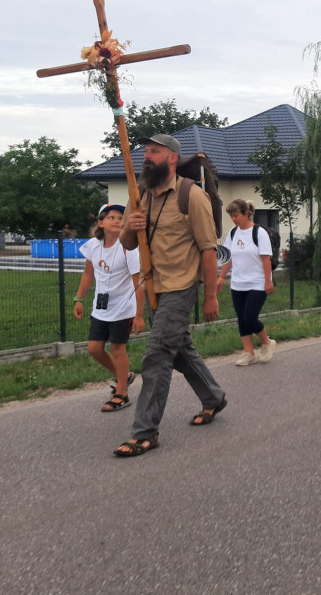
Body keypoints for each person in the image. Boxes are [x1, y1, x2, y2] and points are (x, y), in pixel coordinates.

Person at [113, 134, 226, 457]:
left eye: (154, 152)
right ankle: (214, 396)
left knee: (157, 354)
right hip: (154, 286)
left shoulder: (191, 196)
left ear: (172, 158)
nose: (146, 157)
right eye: (146, 151)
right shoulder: (143, 195)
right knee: (178, 351)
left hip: (182, 285)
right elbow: (129, 244)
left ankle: (144, 432)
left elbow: (208, 248)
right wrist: (129, 226)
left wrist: (210, 297)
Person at [74, 203, 145, 412]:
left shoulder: (129, 247)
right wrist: (78, 298)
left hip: (123, 307)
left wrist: (139, 314)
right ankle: (125, 376)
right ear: (100, 222)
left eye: (120, 218)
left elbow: (138, 282)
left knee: (117, 347)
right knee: (94, 348)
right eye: (111, 217)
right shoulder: (93, 246)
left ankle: (122, 393)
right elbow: (88, 274)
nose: (117, 221)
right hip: (101, 307)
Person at [217, 199, 276, 367]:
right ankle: (248, 353)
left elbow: (266, 259)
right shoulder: (233, 234)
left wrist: (268, 281)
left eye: (236, 215)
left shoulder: (259, 233)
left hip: (257, 283)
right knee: (242, 320)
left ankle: (266, 342)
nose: (233, 219)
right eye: (231, 216)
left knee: (250, 318)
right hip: (238, 283)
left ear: (246, 213)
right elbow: (228, 258)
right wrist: (221, 277)